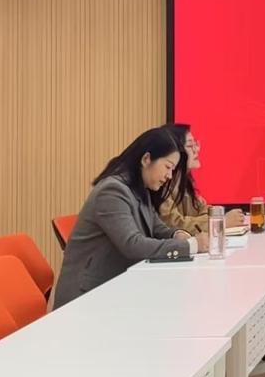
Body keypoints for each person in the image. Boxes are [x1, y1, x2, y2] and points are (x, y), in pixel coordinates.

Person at [53, 127, 208, 309]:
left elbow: (157, 228)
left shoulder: (140, 189)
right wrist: (191, 246)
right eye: (167, 167)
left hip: (114, 288)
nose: (169, 176)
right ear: (146, 159)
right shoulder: (112, 191)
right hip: (85, 298)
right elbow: (132, 244)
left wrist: (178, 235)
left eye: (173, 170)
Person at [155, 124, 245, 234]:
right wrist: (220, 221)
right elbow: (174, 224)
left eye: (195, 144)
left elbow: (204, 209)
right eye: (190, 146)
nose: (196, 150)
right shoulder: (160, 183)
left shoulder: (185, 181)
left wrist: (210, 219)